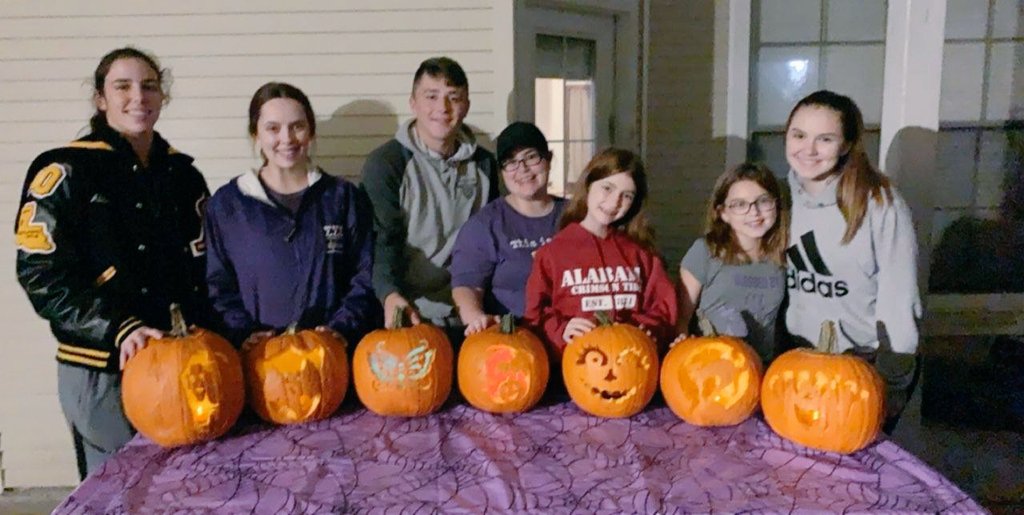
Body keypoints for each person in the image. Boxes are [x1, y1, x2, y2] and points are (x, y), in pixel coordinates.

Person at [14, 47, 210, 479]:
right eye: (122, 86)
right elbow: (40, 274)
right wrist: (117, 326)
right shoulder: (64, 169)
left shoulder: (183, 175)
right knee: (117, 491)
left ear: (162, 97)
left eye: (149, 86)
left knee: (185, 489)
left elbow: (204, 269)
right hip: (102, 367)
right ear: (100, 99)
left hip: (181, 363)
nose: (138, 96)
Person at [782, 89, 922, 433]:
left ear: (846, 145)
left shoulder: (878, 202)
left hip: (862, 365)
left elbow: (900, 298)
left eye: (825, 139)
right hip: (798, 358)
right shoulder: (778, 198)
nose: (808, 150)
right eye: (798, 135)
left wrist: (890, 386)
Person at [205, 82, 381, 349]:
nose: (287, 139)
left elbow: (365, 274)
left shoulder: (342, 198)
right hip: (258, 363)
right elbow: (217, 284)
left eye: (297, 126)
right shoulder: (228, 205)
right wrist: (242, 332)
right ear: (256, 135)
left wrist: (342, 327)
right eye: (273, 128)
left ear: (310, 132)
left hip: (330, 359)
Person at [360, 57, 498, 344]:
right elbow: (381, 240)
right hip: (410, 317)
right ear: (413, 103)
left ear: (466, 106)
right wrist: (390, 295)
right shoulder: (386, 164)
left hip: (473, 316)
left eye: (453, 97)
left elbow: (494, 242)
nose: (442, 109)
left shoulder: (487, 166)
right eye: (431, 96)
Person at [523, 148, 678, 359]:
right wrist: (561, 330)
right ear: (588, 185)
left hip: (632, 365)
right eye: (607, 188)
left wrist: (648, 330)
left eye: (627, 196)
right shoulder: (553, 253)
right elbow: (535, 315)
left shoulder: (641, 253)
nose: (614, 202)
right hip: (573, 367)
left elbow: (664, 309)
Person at [449, 122, 566, 335]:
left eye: (531, 157)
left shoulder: (574, 216)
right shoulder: (485, 226)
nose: (522, 169)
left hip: (572, 336)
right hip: (513, 340)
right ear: (502, 172)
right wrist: (476, 318)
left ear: (548, 159)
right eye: (510, 162)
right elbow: (467, 286)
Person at [678, 163, 788, 364]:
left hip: (762, 372)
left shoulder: (781, 257)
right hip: (709, 368)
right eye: (739, 204)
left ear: (776, 205)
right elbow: (681, 319)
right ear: (723, 213)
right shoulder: (705, 252)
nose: (753, 212)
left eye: (763, 201)